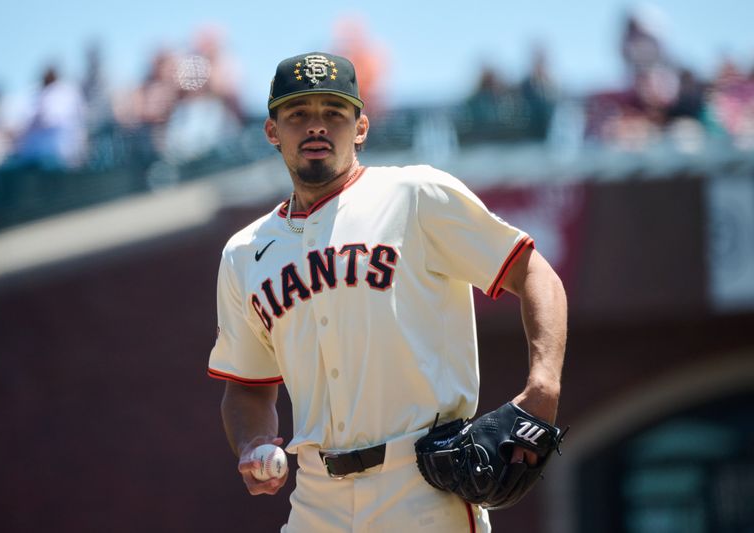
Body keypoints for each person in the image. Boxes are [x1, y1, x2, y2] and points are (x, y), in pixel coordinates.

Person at [208, 52, 567, 532]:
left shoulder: (415, 196)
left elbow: (535, 274)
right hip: (316, 497)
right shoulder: (245, 252)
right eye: (298, 115)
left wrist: (544, 385)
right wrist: (254, 442)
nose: (317, 127)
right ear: (272, 131)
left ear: (360, 127)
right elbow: (247, 386)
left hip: (422, 483)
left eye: (333, 114)